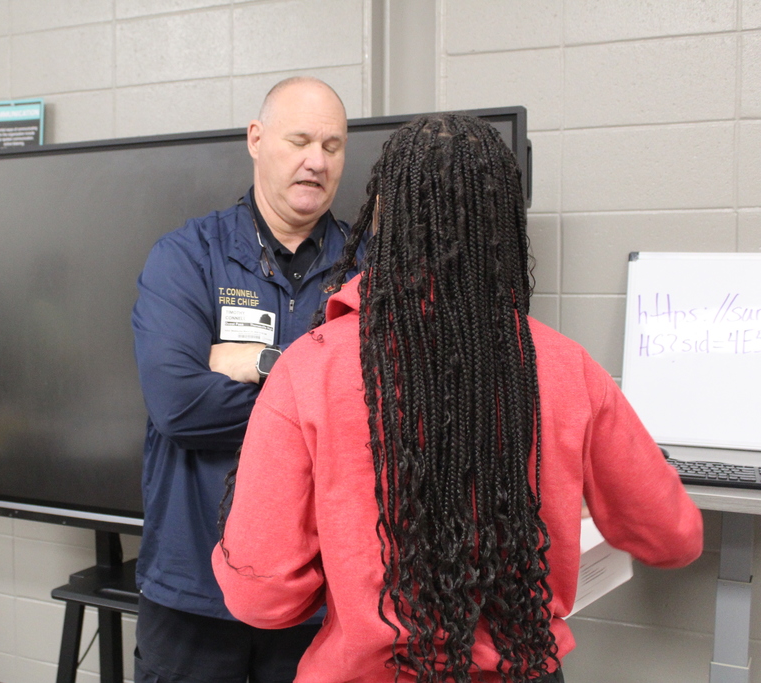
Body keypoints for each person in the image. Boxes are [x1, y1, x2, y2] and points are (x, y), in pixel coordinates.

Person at [212, 114, 703, 683]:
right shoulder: (568, 369)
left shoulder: (309, 368)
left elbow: (259, 599)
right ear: (503, 224)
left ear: (383, 218)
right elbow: (675, 537)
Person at [131, 77, 367, 682]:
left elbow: (383, 410)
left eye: (333, 146)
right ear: (257, 140)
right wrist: (319, 397)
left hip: (322, 599)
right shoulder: (186, 257)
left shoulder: (372, 270)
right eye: (300, 140)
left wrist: (258, 362)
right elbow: (178, 406)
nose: (317, 161)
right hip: (194, 588)